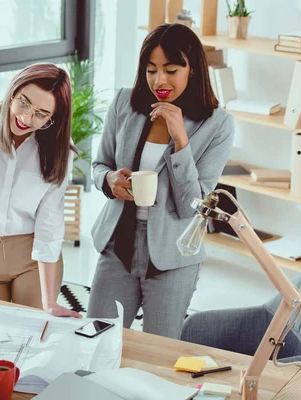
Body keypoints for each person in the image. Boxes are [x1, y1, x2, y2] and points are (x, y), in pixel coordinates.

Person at [87, 23, 235, 339]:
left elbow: (193, 206)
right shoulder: (124, 103)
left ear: (192, 69)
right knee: (96, 342)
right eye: (151, 70)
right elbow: (99, 165)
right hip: (118, 246)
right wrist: (110, 179)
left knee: (158, 356)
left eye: (170, 70)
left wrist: (181, 139)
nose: (159, 80)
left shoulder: (218, 125)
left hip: (173, 257)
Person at [0, 63, 81, 319]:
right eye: (24, 103)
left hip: (32, 258)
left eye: (42, 114)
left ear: (54, 118)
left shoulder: (59, 149)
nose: (26, 118)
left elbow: (49, 220)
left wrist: (49, 301)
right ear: (13, 91)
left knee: (32, 334)